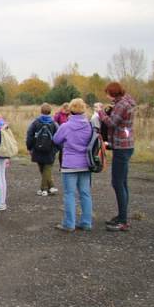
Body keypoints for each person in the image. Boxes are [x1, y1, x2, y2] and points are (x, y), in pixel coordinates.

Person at [97, 82, 136, 232]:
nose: (106, 96)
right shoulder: (126, 102)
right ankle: (121, 215)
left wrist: (101, 112)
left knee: (117, 183)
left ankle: (122, 220)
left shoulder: (122, 105)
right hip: (126, 145)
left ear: (113, 93)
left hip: (122, 146)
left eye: (108, 93)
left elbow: (112, 123)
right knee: (123, 183)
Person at [52, 99, 93, 232]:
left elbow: (56, 139)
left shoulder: (66, 126)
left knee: (69, 194)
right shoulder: (89, 125)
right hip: (86, 163)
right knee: (85, 193)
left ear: (71, 110)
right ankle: (86, 222)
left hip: (70, 164)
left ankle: (69, 223)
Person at [26, 103, 60, 197]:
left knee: (42, 169)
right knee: (47, 169)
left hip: (37, 149)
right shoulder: (54, 123)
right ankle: (48, 188)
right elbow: (58, 136)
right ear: (50, 111)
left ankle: (44, 189)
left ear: (41, 111)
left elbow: (29, 135)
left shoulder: (35, 122)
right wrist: (57, 148)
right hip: (50, 150)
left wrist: (29, 147)